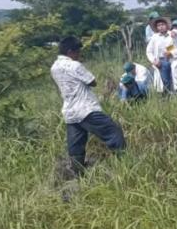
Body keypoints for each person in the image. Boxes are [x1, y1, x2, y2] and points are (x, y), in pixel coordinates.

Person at [51, 36, 126, 176]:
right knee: (113, 132)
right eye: (77, 51)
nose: (79, 55)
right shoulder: (75, 65)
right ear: (70, 51)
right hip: (85, 109)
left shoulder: (54, 67)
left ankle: (78, 174)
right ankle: (125, 164)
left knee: (76, 145)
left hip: (70, 112)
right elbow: (92, 81)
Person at [145, 16, 177, 93]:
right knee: (162, 80)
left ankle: (174, 92)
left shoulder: (173, 35)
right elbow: (149, 51)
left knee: (174, 80)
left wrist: (171, 53)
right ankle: (166, 93)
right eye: (158, 25)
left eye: (162, 25)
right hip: (159, 61)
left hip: (172, 59)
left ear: (167, 25)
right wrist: (154, 60)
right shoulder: (154, 37)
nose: (161, 27)